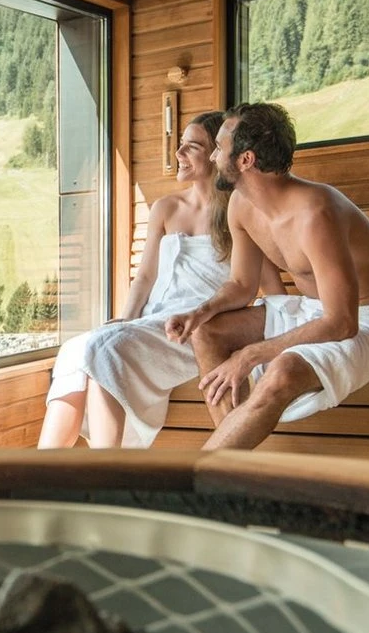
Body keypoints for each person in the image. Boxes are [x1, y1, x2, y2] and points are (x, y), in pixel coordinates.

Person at [164, 102, 369, 450]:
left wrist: (250, 355)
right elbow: (241, 285)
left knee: (282, 370)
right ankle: (234, 464)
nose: (215, 157)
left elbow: (342, 323)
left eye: (219, 148)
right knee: (206, 333)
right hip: (311, 309)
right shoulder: (240, 204)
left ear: (245, 159)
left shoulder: (315, 213)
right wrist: (199, 312)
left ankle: (197, 473)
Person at [38, 111, 283, 449]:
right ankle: (41, 471)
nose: (179, 153)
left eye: (192, 147)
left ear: (216, 154)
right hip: (152, 321)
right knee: (75, 349)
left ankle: (105, 470)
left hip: (194, 331)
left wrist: (266, 348)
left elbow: (273, 292)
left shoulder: (240, 215)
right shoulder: (166, 208)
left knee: (102, 349)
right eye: (180, 144)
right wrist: (126, 318)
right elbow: (145, 277)